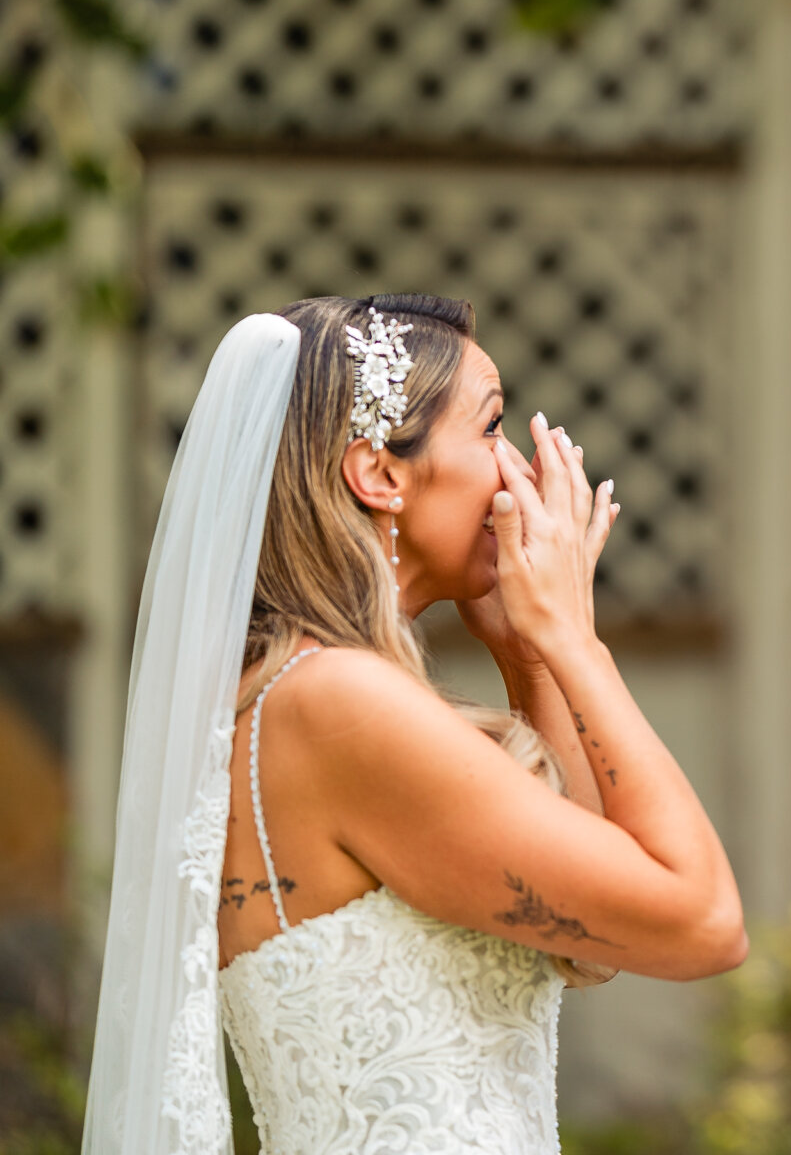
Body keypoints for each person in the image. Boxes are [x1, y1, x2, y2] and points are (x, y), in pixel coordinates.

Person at [82, 294, 745, 1155]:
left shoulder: (294, 698)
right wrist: (577, 641)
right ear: (381, 475)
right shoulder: (339, 707)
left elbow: (592, 944)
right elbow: (700, 921)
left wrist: (531, 659)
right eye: (491, 427)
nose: (517, 472)